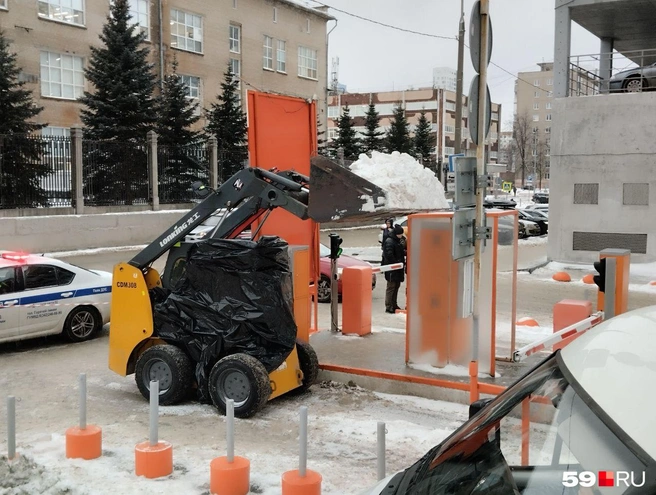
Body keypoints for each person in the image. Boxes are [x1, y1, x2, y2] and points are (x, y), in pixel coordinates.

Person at [382, 224, 406, 314]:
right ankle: (389, 306)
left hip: (397, 269)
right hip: (392, 269)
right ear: (396, 234)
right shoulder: (390, 241)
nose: (401, 236)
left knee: (396, 286)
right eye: (400, 234)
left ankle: (394, 304)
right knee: (391, 287)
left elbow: (399, 252)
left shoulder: (397, 241)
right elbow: (389, 255)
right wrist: (396, 264)